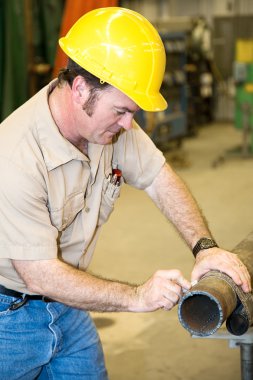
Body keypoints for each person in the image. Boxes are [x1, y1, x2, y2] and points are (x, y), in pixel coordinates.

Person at [0, 7, 250, 380]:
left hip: (69, 308)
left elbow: (159, 178)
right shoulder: (15, 154)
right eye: (121, 111)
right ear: (81, 88)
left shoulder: (110, 127)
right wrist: (137, 297)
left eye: (132, 111)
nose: (129, 124)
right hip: (10, 320)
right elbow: (40, 275)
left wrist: (205, 247)